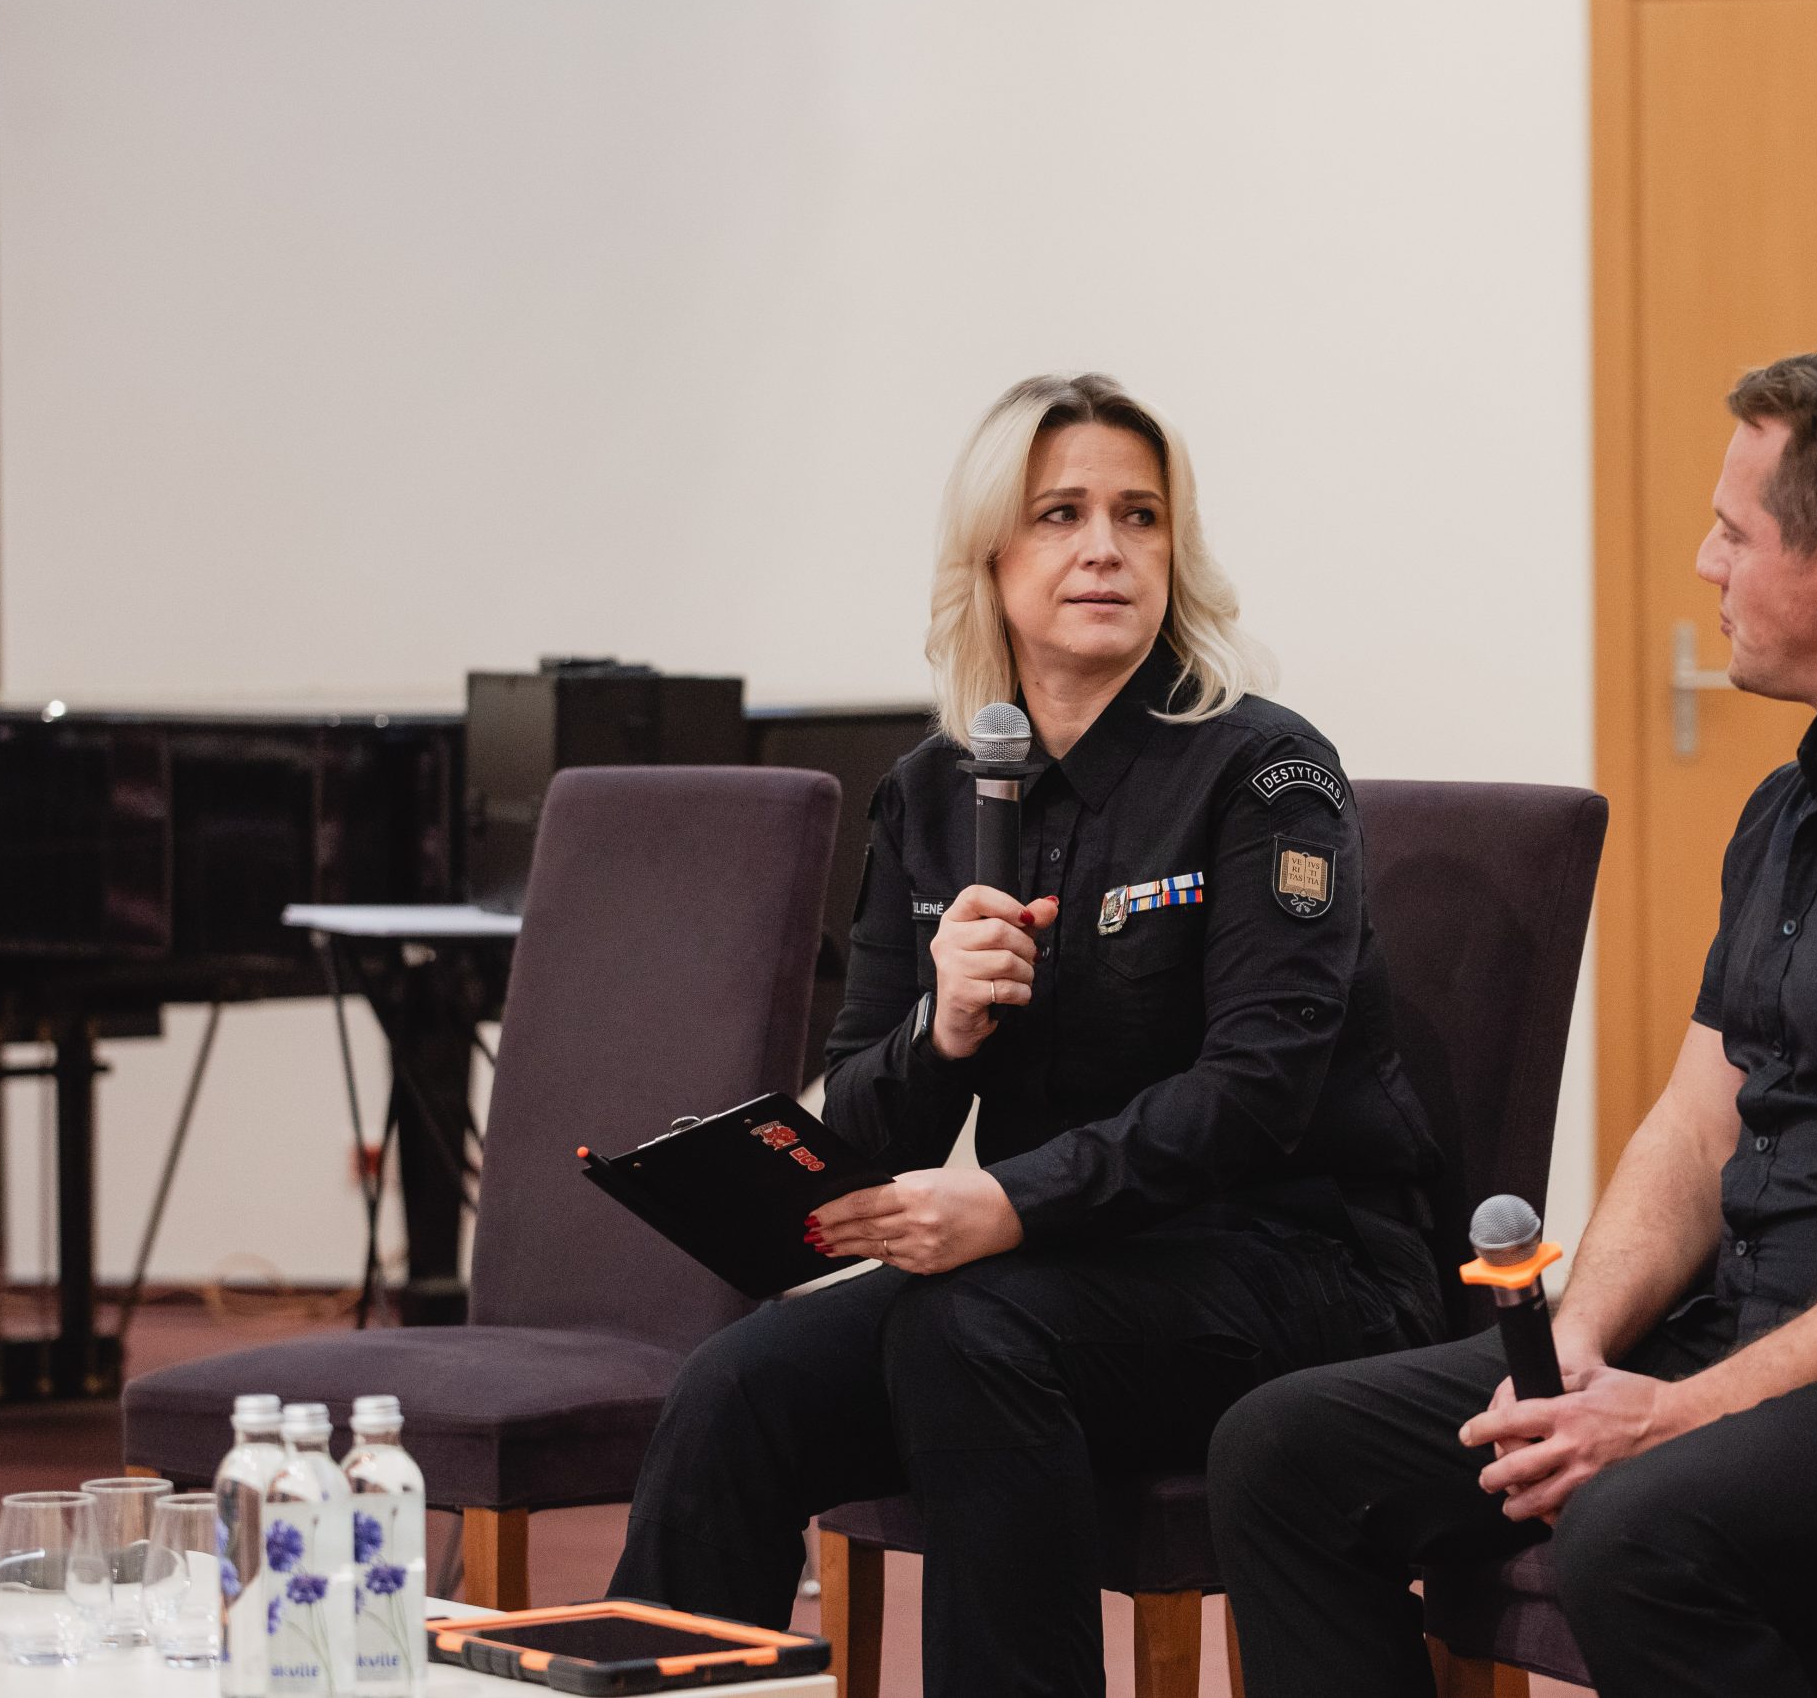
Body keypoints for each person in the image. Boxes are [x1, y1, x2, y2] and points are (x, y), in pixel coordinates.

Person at [1210, 348, 1817, 1698]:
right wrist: (1578, 1344)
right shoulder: (1795, 804)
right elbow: (1696, 1123)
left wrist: (1678, 1415)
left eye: (1735, 534)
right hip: (1757, 1339)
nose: (1704, 563)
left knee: (1637, 1531)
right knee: (1287, 1451)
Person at [608, 373, 1444, 1697]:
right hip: (1055, 1271)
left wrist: (1005, 1204)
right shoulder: (934, 792)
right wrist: (940, 1030)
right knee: (736, 1387)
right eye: (1061, 514)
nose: (1105, 547)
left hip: (1299, 1265)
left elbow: (1257, 1092)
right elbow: (865, 1125)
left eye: (1139, 516)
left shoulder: (1266, 773)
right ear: (990, 558)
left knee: (967, 1331)